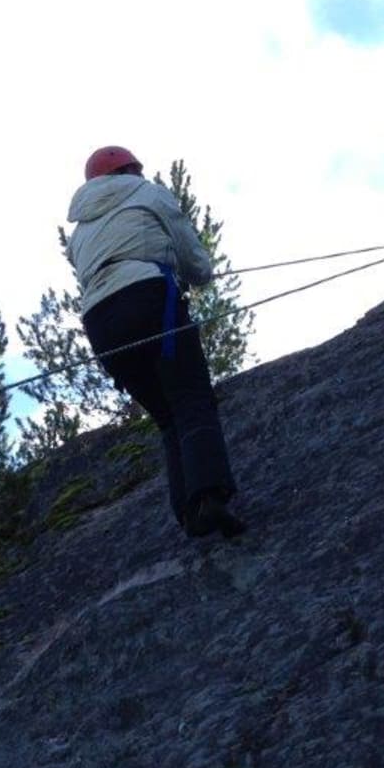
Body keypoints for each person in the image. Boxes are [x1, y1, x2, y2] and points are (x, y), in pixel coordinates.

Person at [68, 145, 245, 539]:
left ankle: (189, 513)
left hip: (99, 322)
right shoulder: (147, 191)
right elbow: (186, 246)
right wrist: (202, 273)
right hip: (148, 297)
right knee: (191, 398)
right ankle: (211, 497)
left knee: (167, 417)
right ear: (130, 169)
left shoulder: (78, 233)